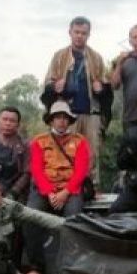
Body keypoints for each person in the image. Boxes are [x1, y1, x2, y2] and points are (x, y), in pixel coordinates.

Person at [25, 101, 90, 272]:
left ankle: (72, 264)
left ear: (69, 120)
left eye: (64, 117)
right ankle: (36, 265)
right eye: (57, 117)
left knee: (73, 220)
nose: (61, 121)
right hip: (44, 189)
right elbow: (36, 170)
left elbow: (81, 170)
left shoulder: (80, 141)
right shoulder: (39, 141)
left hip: (70, 189)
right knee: (30, 219)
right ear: (51, 121)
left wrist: (65, 192)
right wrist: (49, 193)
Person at [43, 16, 105, 181]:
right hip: (66, 113)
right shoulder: (60, 56)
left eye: (83, 33)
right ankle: (65, 184)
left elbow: (104, 84)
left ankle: (92, 186)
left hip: (90, 111)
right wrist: (55, 86)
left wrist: (100, 88)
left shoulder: (96, 57)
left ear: (88, 35)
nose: (79, 36)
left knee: (91, 151)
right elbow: (47, 83)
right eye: (76, 32)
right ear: (70, 32)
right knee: (65, 150)